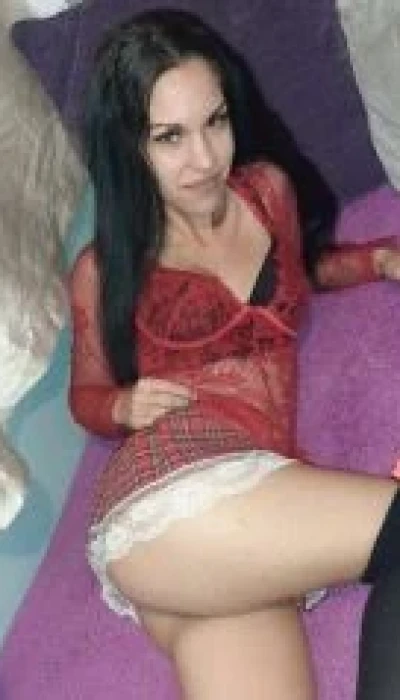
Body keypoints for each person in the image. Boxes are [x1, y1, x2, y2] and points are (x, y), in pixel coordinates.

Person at [69, 9, 400, 699]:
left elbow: (301, 270)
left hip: (230, 539)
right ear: (127, 145)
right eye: (169, 136)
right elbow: (86, 395)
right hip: (172, 487)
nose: (204, 159)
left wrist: (375, 260)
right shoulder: (105, 268)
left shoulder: (265, 192)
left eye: (214, 122)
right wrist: (122, 405)